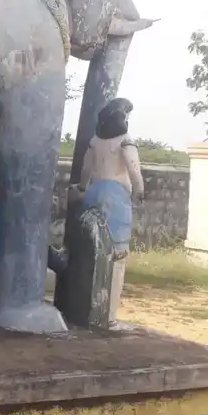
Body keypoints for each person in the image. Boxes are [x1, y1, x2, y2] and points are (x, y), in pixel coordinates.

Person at [73, 98, 144, 326]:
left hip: (94, 193)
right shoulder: (125, 141)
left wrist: (83, 188)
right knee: (117, 256)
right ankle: (109, 315)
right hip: (116, 198)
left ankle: (86, 309)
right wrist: (139, 192)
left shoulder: (95, 141)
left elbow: (86, 170)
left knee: (90, 253)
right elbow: (134, 170)